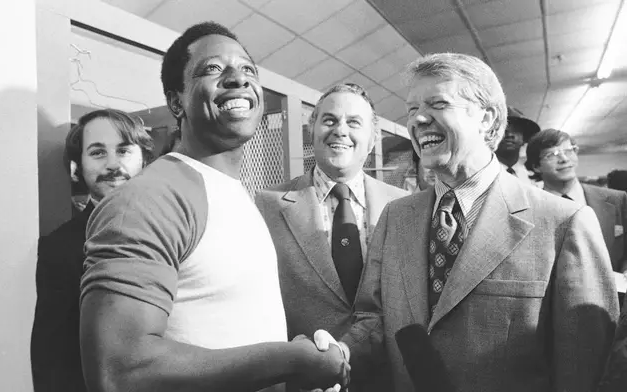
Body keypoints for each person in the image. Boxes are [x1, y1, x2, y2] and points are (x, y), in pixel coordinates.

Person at [323, 53, 619, 392]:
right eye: (411, 109)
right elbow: (374, 318)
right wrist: (339, 353)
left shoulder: (563, 224)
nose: (418, 119)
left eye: (438, 103)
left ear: (487, 118)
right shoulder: (396, 217)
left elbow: (584, 366)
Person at [79, 21, 349, 392]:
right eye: (213, 69)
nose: (237, 79)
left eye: (248, 70)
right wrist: (289, 360)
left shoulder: (238, 194)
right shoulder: (149, 199)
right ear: (176, 101)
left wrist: (297, 375)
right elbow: (121, 371)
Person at [255, 83, 407, 390]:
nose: (340, 130)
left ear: (372, 138)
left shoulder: (404, 206)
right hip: (305, 381)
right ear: (312, 131)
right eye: (329, 120)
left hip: (388, 378)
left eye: (353, 122)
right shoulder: (267, 204)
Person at [31, 109, 155, 392]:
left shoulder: (175, 228)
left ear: (144, 159)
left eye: (124, 151)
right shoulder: (58, 248)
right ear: (77, 166)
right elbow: (53, 361)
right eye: (98, 153)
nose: (113, 164)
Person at [525, 129, 627, 274]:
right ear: (536, 166)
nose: (564, 159)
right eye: (552, 155)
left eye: (569, 150)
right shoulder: (529, 207)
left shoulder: (616, 200)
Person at [494, 106, 540, 183]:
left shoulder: (531, 179)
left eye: (516, 130)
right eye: (504, 130)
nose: (510, 134)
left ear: (525, 139)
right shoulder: (482, 173)